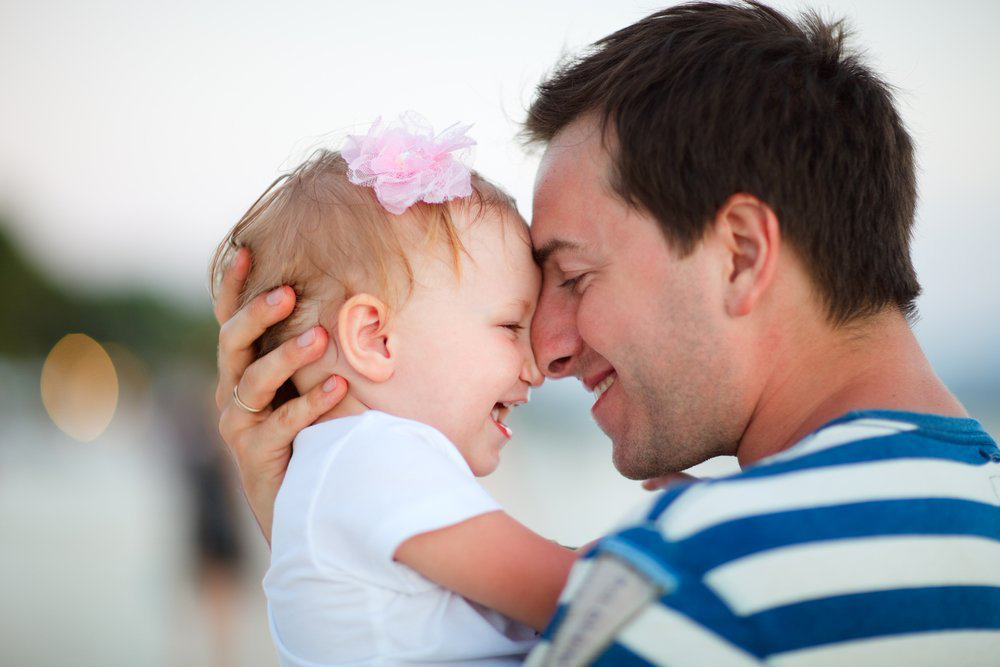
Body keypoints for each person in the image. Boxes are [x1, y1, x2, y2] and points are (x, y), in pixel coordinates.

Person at [213, 2, 1000, 665]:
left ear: (740, 253)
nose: (547, 351)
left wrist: (310, 546)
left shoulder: (700, 581)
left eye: (576, 276)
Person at [209, 115, 578, 665]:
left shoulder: (341, 468)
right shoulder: (377, 456)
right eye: (509, 326)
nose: (537, 367)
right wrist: (676, 521)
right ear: (375, 338)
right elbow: (580, 594)